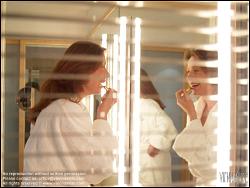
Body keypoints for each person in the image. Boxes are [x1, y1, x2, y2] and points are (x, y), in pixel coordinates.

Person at [22, 41, 117, 186]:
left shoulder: (59, 107)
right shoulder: (67, 111)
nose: (107, 73)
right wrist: (102, 114)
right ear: (82, 70)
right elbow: (98, 167)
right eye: (102, 66)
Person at [172, 49, 218, 186]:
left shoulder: (230, 110)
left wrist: (191, 114)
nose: (189, 77)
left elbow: (212, 166)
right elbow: (194, 159)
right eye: (187, 72)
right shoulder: (197, 107)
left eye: (196, 71)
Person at [139, 69, 177, 186]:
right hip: (148, 161)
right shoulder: (140, 104)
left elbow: (167, 124)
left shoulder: (146, 103)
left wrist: (156, 144)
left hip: (151, 159)